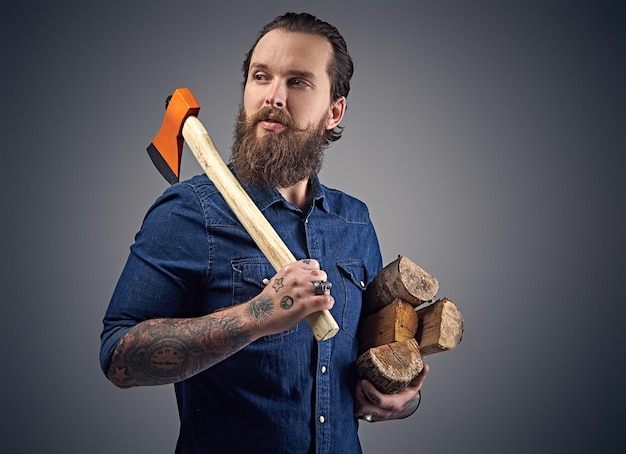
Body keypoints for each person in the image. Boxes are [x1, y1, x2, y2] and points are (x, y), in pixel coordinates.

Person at [100, 11, 428, 453]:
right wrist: (257, 316)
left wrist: (402, 400)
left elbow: (360, 358)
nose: (273, 96)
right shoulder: (190, 211)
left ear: (335, 110)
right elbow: (118, 357)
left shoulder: (354, 221)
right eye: (261, 76)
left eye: (298, 81)